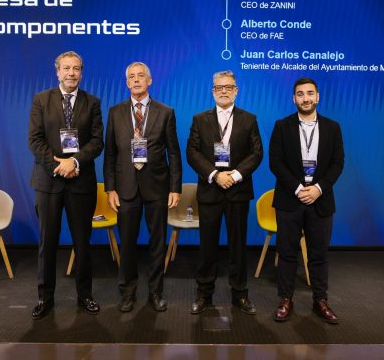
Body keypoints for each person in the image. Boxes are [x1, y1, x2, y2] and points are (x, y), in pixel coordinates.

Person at [28, 51, 104, 319]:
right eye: (67, 68)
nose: (72, 73)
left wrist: (74, 162)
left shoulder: (92, 102)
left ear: (81, 73)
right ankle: (44, 298)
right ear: (57, 72)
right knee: (47, 243)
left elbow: (97, 141)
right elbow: (35, 140)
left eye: (76, 69)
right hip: (48, 181)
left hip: (81, 182)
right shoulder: (41, 100)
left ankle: (85, 296)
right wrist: (57, 165)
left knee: (82, 243)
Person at [103, 61, 182, 313]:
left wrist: (175, 188)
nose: (136, 80)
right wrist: (110, 189)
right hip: (125, 188)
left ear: (150, 81)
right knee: (127, 244)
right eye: (132, 77)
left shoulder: (165, 112)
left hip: (157, 187)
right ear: (127, 83)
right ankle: (127, 293)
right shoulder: (115, 112)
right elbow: (110, 154)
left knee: (157, 243)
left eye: (141, 76)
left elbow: (174, 152)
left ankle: (156, 293)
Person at [186, 70, 263, 315]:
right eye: (219, 87)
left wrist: (235, 175)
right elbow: (192, 153)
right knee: (207, 246)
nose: (223, 91)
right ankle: (204, 294)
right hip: (210, 190)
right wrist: (215, 175)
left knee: (238, 246)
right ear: (213, 91)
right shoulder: (200, 119)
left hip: (238, 191)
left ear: (236, 91)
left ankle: (240, 295)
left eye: (228, 87)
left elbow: (257, 153)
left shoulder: (249, 119)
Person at [269, 77, 344, 324]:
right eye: (300, 94)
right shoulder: (282, 126)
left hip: (321, 201)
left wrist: (318, 189)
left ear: (317, 97)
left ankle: (320, 300)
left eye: (310, 93)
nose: (305, 98)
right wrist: (299, 188)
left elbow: (338, 163)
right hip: (290, 200)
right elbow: (275, 162)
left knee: (319, 255)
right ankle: (285, 299)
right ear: (294, 99)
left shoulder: (333, 127)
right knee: (287, 253)